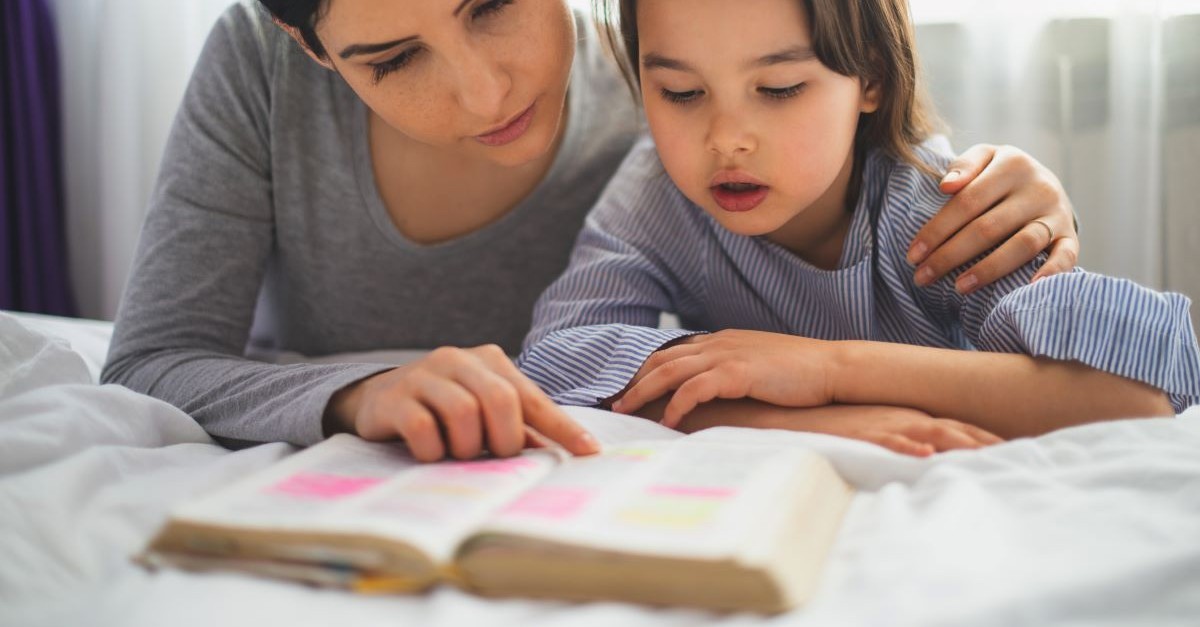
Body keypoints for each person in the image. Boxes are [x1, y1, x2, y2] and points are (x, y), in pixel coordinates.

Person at [103, 0, 1081, 462]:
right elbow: (153, 360)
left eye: (491, 5)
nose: (486, 92)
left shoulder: (679, 89)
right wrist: (357, 392)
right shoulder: (257, 70)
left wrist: (1013, 195)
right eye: (393, 59)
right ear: (308, 44)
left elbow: (867, 161)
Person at [518, 0, 1200, 456]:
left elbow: (1135, 395)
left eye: (780, 89)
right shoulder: (657, 195)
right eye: (681, 93)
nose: (726, 140)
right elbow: (557, 360)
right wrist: (804, 421)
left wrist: (826, 369)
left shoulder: (933, 205)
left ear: (870, 77)